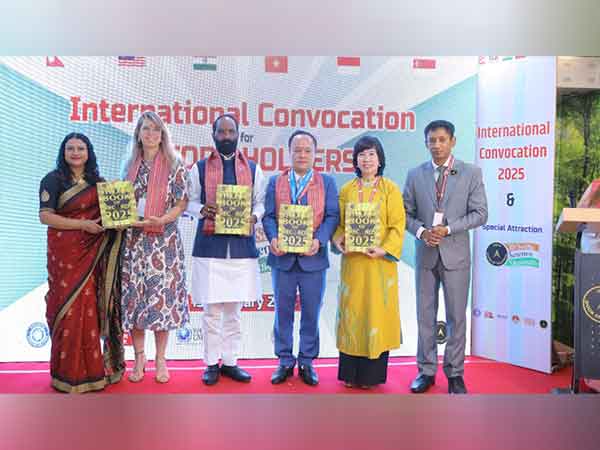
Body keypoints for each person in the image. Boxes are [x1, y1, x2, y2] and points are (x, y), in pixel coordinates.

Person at [403, 120, 487, 394]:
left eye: (442, 140)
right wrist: (422, 232)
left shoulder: (471, 173)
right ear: (426, 143)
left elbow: (480, 214)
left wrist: (449, 228)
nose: (436, 145)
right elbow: (405, 214)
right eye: (432, 140)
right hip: (426, 255)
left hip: (456, 257)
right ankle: (425, 371)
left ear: (452, 141)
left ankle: (455, 374)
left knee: (455, 318)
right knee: (424, 316)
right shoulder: (415, 175)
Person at [39, 132, 125, 393]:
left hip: (90, 255)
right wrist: (82, 225)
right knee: (65, 309)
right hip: (64, 256)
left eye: (81, 148)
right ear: (63, 153)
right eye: (70, 148)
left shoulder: (99, 184)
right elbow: (45, 217)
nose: (75, 153)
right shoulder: (52, 180)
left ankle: (93, 372)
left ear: (89, 152)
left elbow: (113, 218)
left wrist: (123, 217)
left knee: (87, 306)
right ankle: (64, 374)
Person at [187, 113, 267, 385]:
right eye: (221, 132)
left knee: (234, 311)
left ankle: (231, 361)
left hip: (241, 250)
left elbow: (260, 204)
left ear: (238, 134)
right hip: (210, 248)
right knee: (211, 313)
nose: (226, 136)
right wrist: (201, 209)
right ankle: (211, 363)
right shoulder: (198, 168)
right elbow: (189, 202)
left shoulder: (254, 169)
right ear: (213, 135)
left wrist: (254, 217)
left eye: (230, 131)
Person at [262, 130, 339, 386]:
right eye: (298, 150)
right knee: (282, 312)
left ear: (315, 154)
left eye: (307, 150)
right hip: (283, 260)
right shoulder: (276, 182)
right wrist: (272, 238)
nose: (302, 155)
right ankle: (284, 360)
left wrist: (319, 241)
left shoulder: (326, 182)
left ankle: (307, 361)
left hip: (313, 259)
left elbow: (331, 216)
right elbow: (269, 217)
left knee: (311, 313)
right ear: (289, 153)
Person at [120, 111, 189, 384]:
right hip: (135, 242)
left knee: (162, 300)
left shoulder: (175, 164)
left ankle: (161, 359)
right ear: (138, 133)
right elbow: (121, 201)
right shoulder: (129, 165)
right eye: (145, 129)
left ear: (163, 135)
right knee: (136, 300)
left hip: (164, 243)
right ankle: (139, 358)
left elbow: (182, 203)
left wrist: (162, 219)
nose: (150, 134)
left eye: (155, 130)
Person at [331, 136, 406, 389]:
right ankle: (350, 374)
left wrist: (384, 249)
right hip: (354, 265)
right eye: (362, 155)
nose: (367, 159)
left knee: (375, 314)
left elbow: (397, 226)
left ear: (380, 158)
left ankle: (371, 377)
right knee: (353, 315)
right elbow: (339, 224)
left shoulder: (390, 189)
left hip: (379, 265)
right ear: (356, 160)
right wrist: (338, 239)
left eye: (371, 154)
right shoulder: (347, 190)